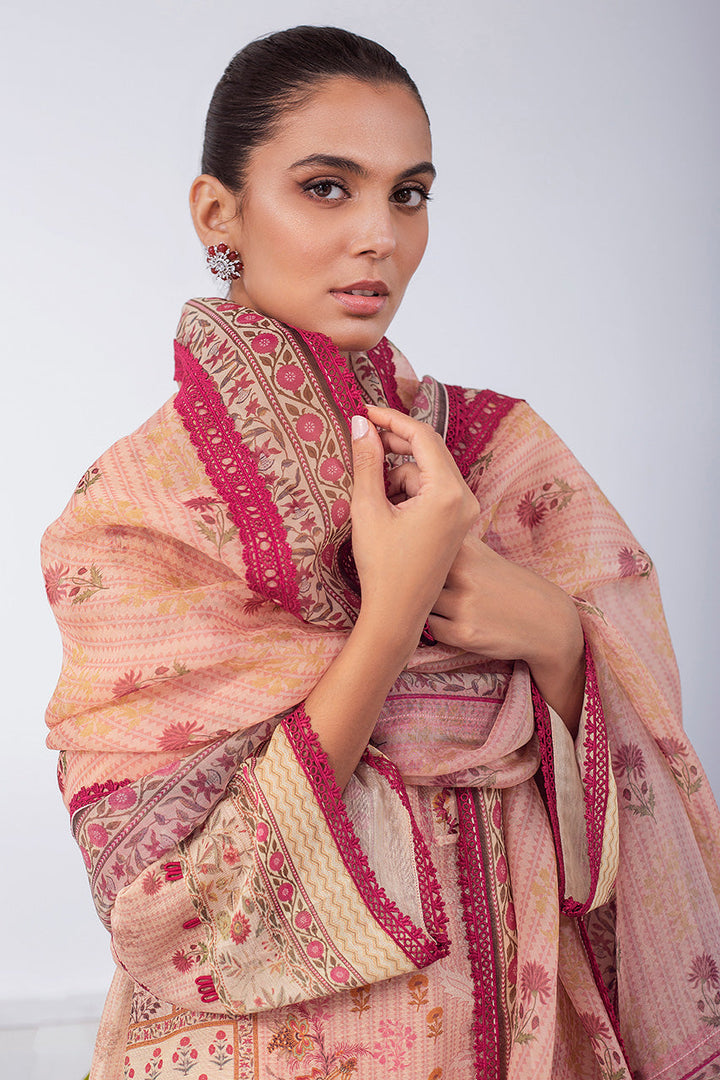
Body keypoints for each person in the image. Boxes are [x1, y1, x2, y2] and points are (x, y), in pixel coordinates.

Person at [42, 26, 720, 1080]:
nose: (379, 237)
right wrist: (394, 617)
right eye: (326, 188)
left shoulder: (503, 455)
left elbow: (656, 790)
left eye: (409, 195)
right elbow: (165, 908)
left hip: (525, 1026)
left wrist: (557, 638)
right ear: (217, 214)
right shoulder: (136, 510)